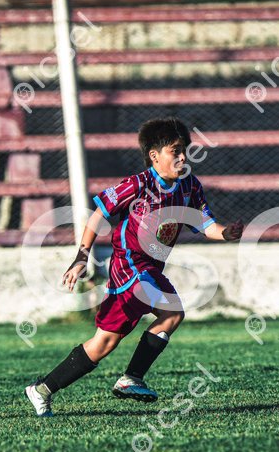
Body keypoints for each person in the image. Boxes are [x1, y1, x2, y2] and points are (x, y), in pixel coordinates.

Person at [25, 117, 243, 417]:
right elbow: (98, 215)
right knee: (172, 311)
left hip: (151, 268)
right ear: (155, 156)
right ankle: (131, 378)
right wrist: (81, 256)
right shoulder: (138, 184)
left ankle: (42, 390)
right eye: (175, 151)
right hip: (129, 265)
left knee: (104, 343)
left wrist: (226, 233)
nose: (182, 157)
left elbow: (205, 224)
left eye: (184, 150)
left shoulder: (190, 186)